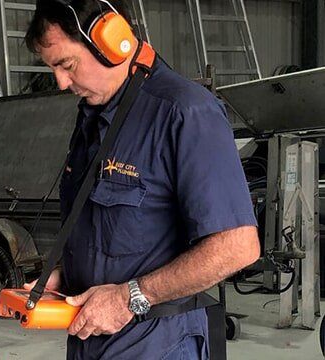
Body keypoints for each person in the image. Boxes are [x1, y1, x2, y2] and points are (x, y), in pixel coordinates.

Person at [23, 0, 260, 359]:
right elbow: (114, 231)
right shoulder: (94, 113)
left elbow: (237, 246)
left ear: (111, 40)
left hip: (158, 344)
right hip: (92, 338)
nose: (60, 82)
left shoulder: (185, 112)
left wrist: (129, 297)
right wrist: (65, 275)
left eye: (66, 64)